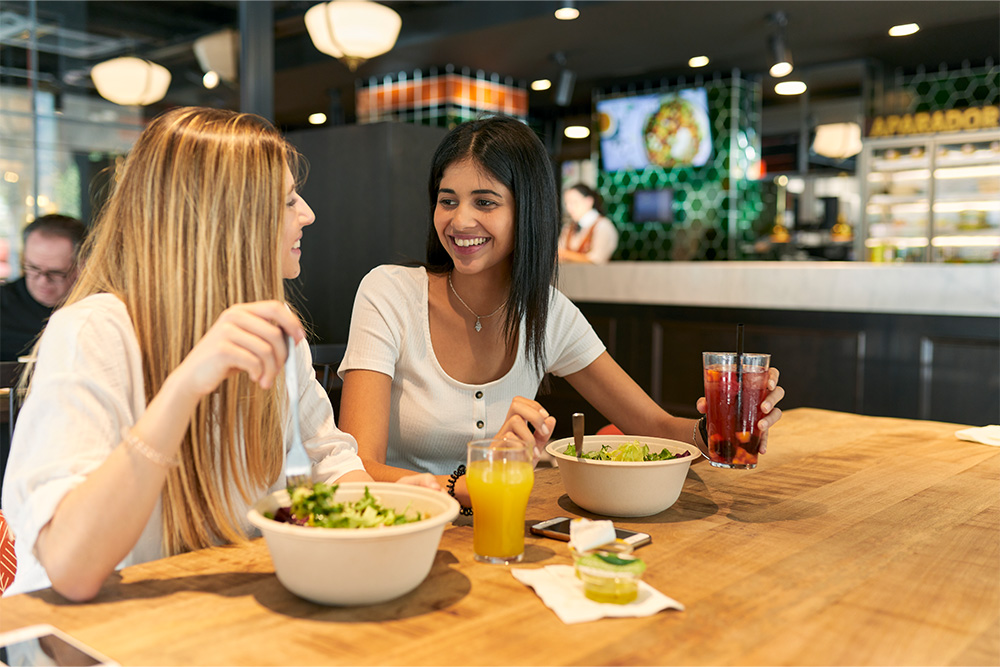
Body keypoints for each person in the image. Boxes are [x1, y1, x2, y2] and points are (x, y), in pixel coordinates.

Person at [1, 107, 430, 601]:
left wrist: (388, 504)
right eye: (288, 200)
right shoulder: (93, 331)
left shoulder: (271, 332)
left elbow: (329, 460)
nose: (307, 214)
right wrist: (185, 386)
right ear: (227, 219)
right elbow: (72, 570)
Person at [337, 115, 785, 512]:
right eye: (447, 200)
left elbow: (653, 426)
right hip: (397, 530)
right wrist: (461, 487)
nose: (460, 221)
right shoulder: (389, 293)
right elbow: (355, 466)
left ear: (527, 211)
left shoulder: (547, 314)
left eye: (486, 202)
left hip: (507, 529)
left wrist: (715, 433)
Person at [0, 214, 87, 361]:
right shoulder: (3, 304)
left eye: (55, 272)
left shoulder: (97, 308)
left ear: (81, 266)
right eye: (33, 268)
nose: (42, 281)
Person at [557, 183, 619, 264]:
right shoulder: (569, 228)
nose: (569, 208)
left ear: (589, 201)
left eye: (574, 202)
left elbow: (596, 260)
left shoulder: (603, 226)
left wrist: (565, 254)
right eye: (566, 203)